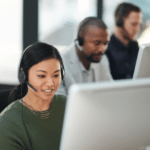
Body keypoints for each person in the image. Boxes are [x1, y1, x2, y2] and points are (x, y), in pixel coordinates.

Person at [0, 42, 66, 150]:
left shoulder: (68, 106)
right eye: (41, 76)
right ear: (24, 76)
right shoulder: (7, 124)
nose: (50, 83)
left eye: (56, 75)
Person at [56, 17, 113, 96]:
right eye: (97, 43)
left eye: (105, 43)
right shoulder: (58, 63)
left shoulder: (103, 60)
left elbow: (111, 93)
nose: (102, 49)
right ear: (81, 40)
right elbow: (59, 103)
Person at [106, 2, 142, 80]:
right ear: (119, 22)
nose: (137, 29)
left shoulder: (135, 46)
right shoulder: (106, 48)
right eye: (133, 24)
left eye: (139, 24)